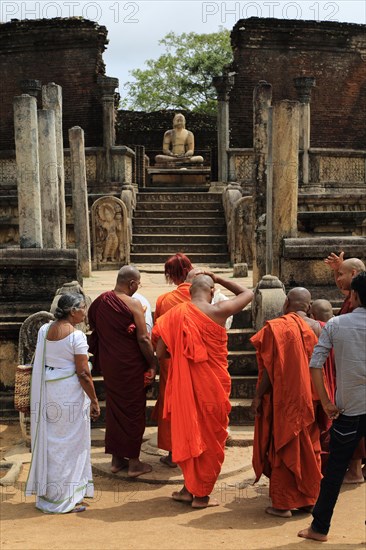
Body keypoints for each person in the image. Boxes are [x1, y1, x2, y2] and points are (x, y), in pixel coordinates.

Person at [153, 273, 253, 508]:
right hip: (213, 387)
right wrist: (218, 277)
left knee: (189, 432)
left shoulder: (173, 316)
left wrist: (181, 352)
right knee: (211, 436)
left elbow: (159, 354)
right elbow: (247, 293)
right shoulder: (218, 311)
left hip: (185, 388)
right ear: (211, 291)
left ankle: (190, 490)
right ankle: (199, 495)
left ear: (189, 292)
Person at [298, 271, 366, 542]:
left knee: (334, 473)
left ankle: (319, 529)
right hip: (352, 408)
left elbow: (315, 364)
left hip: (347, 410)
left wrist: (326, 402)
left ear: (355, 295)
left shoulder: (336, 324)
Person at [250, 287, 323, 518]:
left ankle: (282, 505)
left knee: (285, 445)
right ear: (309, 307)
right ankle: (309, 500)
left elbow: (271, 372)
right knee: (310, 448)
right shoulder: (318, 327)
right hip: (311, 399)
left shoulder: (276, 327)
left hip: (286, 400)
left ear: (286, 304)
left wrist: (258, 395)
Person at [25, 293, 100, 513]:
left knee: (53, 442)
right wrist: (94, 400)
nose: (85, 312)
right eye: (83, 308)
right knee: (70, 444)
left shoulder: (44, 330)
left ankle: (51, 496)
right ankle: (66, 498)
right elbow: (84, 373)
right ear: (73, 310)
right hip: (69, 394)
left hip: (49, 391)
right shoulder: (77, 337)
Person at [88, 266, 156, 478]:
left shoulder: (99, 302)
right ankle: (134, 463)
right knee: (134, 412)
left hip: (110, 365)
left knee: (116, 411)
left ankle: (117, 460)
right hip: (130, 366)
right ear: (132, 284)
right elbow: (144, 339)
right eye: (138, 284)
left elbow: (95, 331)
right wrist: (153, 363)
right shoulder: (133, 304)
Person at [153, 255, 198, 468]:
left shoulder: (164, 300)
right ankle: (196, 448)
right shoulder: (204, 296)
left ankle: (173, 452)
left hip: (171, 361)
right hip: (197, 361)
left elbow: (157, 335)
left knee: (171, 405)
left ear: (170, 275)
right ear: (190, 269)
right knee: (197, 404)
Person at [324, 252, 366, 483]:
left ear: (354, 274)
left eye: (341, 274)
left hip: (356, 369)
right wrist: (338, 268)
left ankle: (356, 471)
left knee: (354, 418)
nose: (337, 279)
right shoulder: (355, 299)